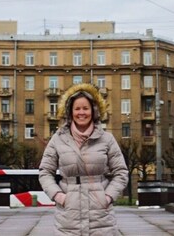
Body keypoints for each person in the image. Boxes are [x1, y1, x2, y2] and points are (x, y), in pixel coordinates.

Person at [39, 83, 129, 235]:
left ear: (93, 111)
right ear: (70, 111)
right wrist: (59, 196)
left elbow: (121, 172)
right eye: (77, 108)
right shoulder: (58, 139)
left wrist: (107, 197)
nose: (81, 113)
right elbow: (45, 172)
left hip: (100, 216)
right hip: (68, 216)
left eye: (85, 108)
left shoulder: (107, 139)